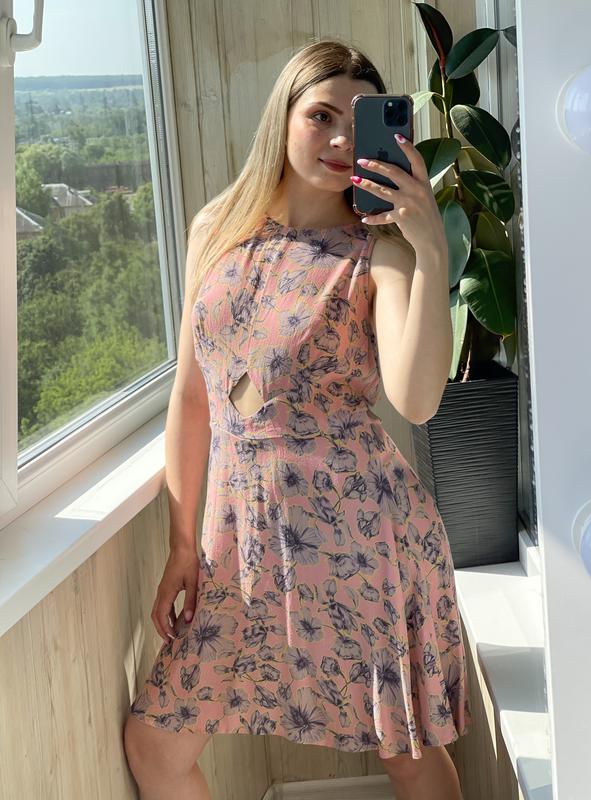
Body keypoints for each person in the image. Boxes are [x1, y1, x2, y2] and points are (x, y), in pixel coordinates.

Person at [123, 39, 471, 800]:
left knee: (403, 746)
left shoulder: (380, 255)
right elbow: (193, 397)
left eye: (359, 121)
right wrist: (181, 544)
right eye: (321, 116)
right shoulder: (215, 229)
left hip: (361, 534)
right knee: (157, 741)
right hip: (237, 536)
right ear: (282, 117)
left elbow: (417, 402)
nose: (342, 138)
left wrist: (431, 250)